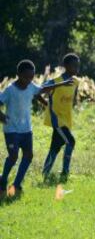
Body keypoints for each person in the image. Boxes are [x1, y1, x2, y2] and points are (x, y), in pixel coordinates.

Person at [0, 60, 72, 197]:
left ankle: (16, 184)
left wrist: (62, 84)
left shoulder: (31, 86)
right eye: (26, 77)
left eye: (31, 77)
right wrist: (2, 117)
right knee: (13, 156)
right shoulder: (10, 90)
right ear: (18, 74)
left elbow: (42, 90)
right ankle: (2, 181)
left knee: (28, 155)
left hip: (26, 129)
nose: (28, 80)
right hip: (12, 130)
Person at [42, 53, 80, 182]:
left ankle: (45, 172)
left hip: (67, 120)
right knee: (71, 141)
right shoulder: (56, 81)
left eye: (78, 65)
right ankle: (65, 172)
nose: (77, 68)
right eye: (74, 66)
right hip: (57, 120)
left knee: (55, 146)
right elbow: (42, 89)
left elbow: (74, 98)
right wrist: (45, 103)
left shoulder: (76, 81)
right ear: (66, 66)